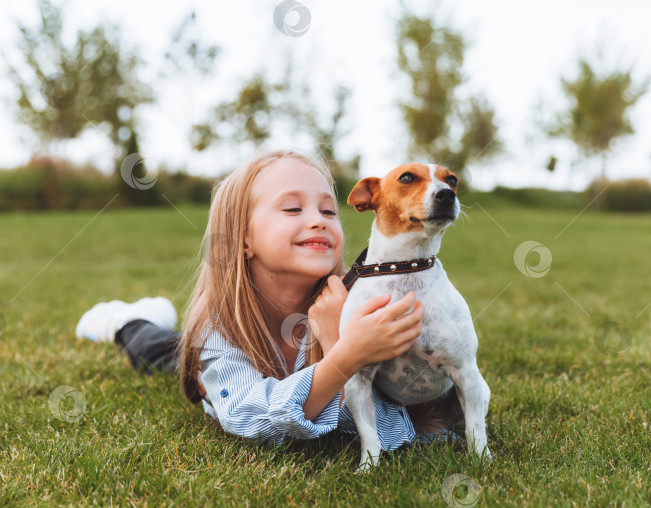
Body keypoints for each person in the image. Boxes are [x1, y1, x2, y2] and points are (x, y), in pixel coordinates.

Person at [75, 148, 463, 452]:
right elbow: (248, 416)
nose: (319, 220)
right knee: (158, 348)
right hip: (217, 348)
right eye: (293, 208)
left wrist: (337, 341)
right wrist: (344, 357)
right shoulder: (218, 326)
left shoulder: (357, 307)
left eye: (328, 209)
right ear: (242, 239)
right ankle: (126, 320)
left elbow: (401, 431)